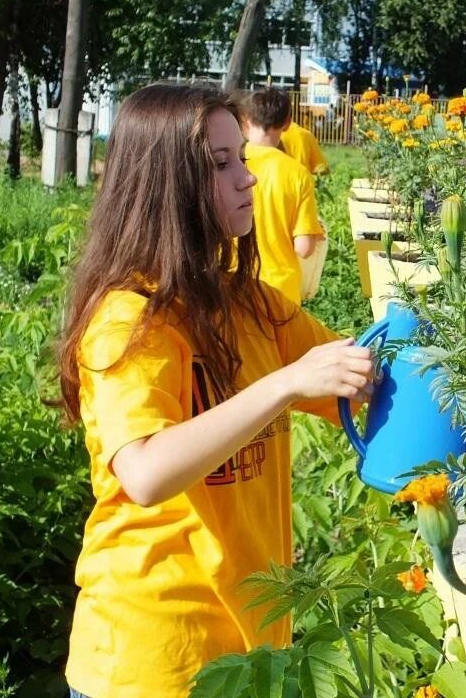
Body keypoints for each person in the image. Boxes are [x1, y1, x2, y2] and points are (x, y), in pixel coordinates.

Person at [56, 84, 376, 698]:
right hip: (152, 662)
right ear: (166, 185)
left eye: (242, 159)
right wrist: (284, 385)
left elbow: (362, 378)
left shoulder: (251, 303)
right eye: (222, 164)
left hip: (252, 653)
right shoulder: (131, 320)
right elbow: (145, 473)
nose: (247, 180)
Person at [237, 87, 324, 305]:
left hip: (232, 282)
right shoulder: (297, 174)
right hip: (280, 291)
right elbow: (304, 249)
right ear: (287, 122)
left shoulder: (229, 162)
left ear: (245, 119)